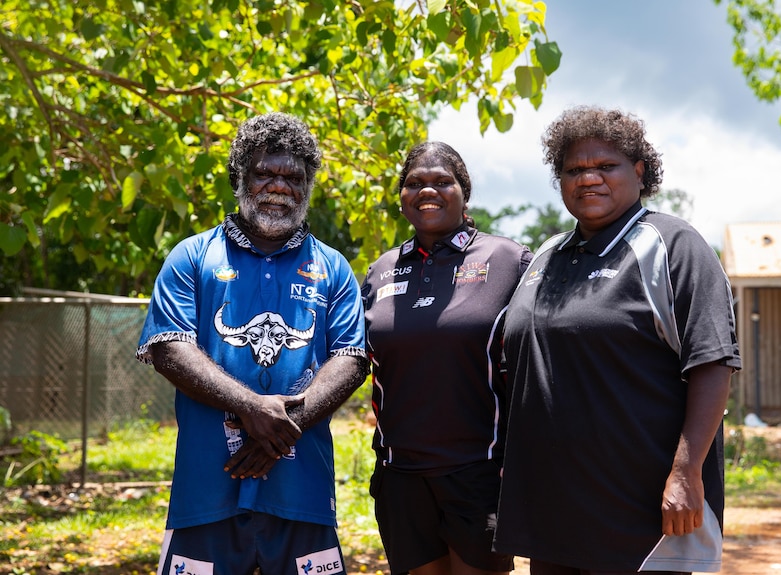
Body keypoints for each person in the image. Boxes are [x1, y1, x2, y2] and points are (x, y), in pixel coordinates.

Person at [494, 106, 741, 575]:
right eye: (574, 170)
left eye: (606, 166)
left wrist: (686, 474)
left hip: (640, 516)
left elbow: (713, 363)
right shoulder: (546, 255)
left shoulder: (674, 246)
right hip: (552, 515)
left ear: (640, 171)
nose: (589, 179)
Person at [136, 112, 369, 575]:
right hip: (206, 490)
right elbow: (168, 348)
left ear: (307, 187)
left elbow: (352, 358)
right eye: (265, 172)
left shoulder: (334, 267)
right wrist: (251, 407)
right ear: (239, 178)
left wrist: (280, 430)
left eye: (293, 177)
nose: (279, 186)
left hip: (302, 492)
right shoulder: (192, 256)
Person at [361, 141, 532, 575]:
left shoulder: (507, 259)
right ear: (401, 197)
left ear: (464, 191)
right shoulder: (381, 269)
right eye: (414, 183)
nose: (427, 191)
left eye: (442, 181)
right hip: (400, 476)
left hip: (478, 474)